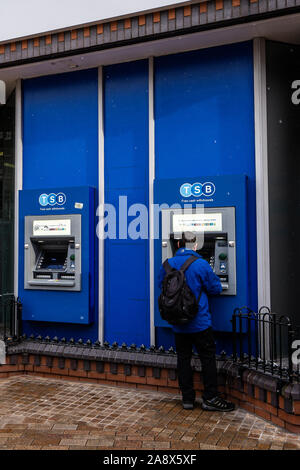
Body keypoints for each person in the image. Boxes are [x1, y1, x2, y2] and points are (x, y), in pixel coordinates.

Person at [158, 231, 235, 412]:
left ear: (178, 245)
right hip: (199, 321)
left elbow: (162, 289)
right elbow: (215, 288)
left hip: (177, 322)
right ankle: (210, 398)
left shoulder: (167, 264)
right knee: (207, 358)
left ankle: (187, 399)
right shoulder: (201, 264)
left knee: (183, 358)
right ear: (195, 246)